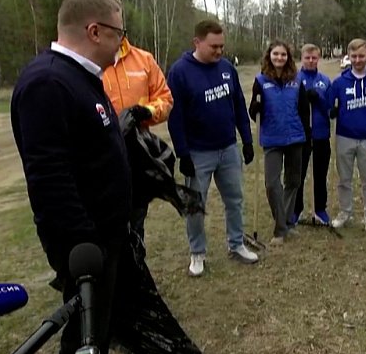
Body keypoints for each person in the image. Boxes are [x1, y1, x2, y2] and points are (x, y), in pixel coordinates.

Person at [10, 0, 153, 354]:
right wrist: (80, 245)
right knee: (82, 327)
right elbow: (49, 176)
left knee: (104, 319)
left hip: (108, 232)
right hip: (83, 243)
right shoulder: (48, 84)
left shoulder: (80, 78)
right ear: (95, 31)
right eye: (118, 33)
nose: (121, 43)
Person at [166, 20, 259, 277]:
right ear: (197, 42)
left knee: (235, 199)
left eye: (222, 46)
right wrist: (183, 153)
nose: (219, 51)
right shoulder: (180, 72)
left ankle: (236, 244)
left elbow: (239, 105)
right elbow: (175, 118)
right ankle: (197, 253)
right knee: (196, 205)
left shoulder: (227, 68)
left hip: (228, 148)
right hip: (198, 153)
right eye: (213, 46)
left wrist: (247, 140)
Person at [102, 36, 174, 241]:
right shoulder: (88, 62)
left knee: (137, 219)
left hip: (137, 152)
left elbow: (165, 99)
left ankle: (136, 263)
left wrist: (147, 112)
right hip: (104, 154)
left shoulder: (144, 59)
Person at [248, 40, 311, 244]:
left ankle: (284, 225)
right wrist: (255, 108)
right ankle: (281, 226)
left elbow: (303, 110)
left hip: (295, 137)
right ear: (269, 55)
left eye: (283, 55)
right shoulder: (261, 80)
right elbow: (253, 110)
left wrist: (307, 136)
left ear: (288, 57)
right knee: (272, 183)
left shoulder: (297, 79)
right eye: (276, 54)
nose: (279, 58)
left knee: (293, 181)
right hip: (272, 138)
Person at [328, 38, 366, 232]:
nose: (357, 60)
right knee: (344, 179)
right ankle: (345, 212)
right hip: (344, 137)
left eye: (361, 55)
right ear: (349, 57)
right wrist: (331, 109)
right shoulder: (339, 82)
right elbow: (328, 103)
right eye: (353, 56)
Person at [295, 43, 333, 226]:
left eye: (314, 58)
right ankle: (296, 210)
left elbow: (330, 107)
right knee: (298, 175)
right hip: (300, 135)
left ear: (319, 58)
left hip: (321, 134)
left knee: (320, 173)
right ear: (301, 58)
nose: (310, 61)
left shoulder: (325, 80)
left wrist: (319, 98)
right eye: (307, 58)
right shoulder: (294, 79)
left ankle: (320, 209)